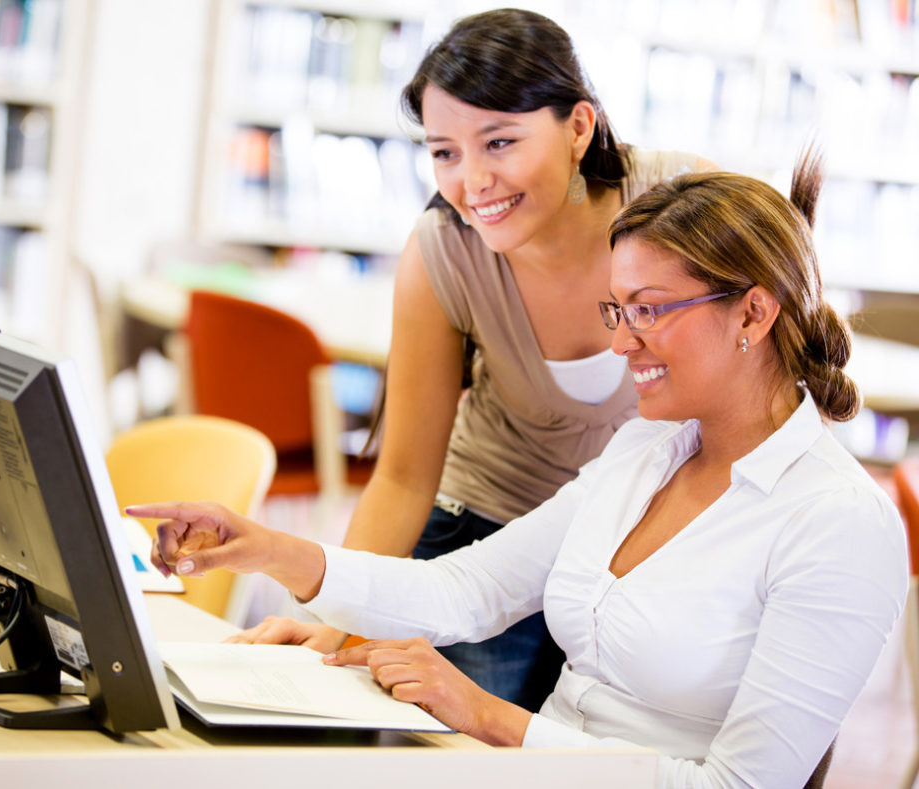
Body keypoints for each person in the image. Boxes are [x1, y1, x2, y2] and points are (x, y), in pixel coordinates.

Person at [129, 152, 908, 786]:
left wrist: (491, 717)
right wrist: (267, 548)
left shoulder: (838, 523)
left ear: (753, 313)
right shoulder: (646, 450)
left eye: (648, 309)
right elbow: (466, 590)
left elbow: (740, 785)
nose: (620, 342)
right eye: (617, 310)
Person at [233, 7, 713, 712]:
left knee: (600, 753)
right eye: (444, 152)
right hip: (485, 531)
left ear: (579, 127)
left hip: (637, 552)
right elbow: (402, 478)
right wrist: (334, 621)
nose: (472, 181)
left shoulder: (682, 205)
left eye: (499, 142)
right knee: (450, 748)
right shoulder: (443, 252)